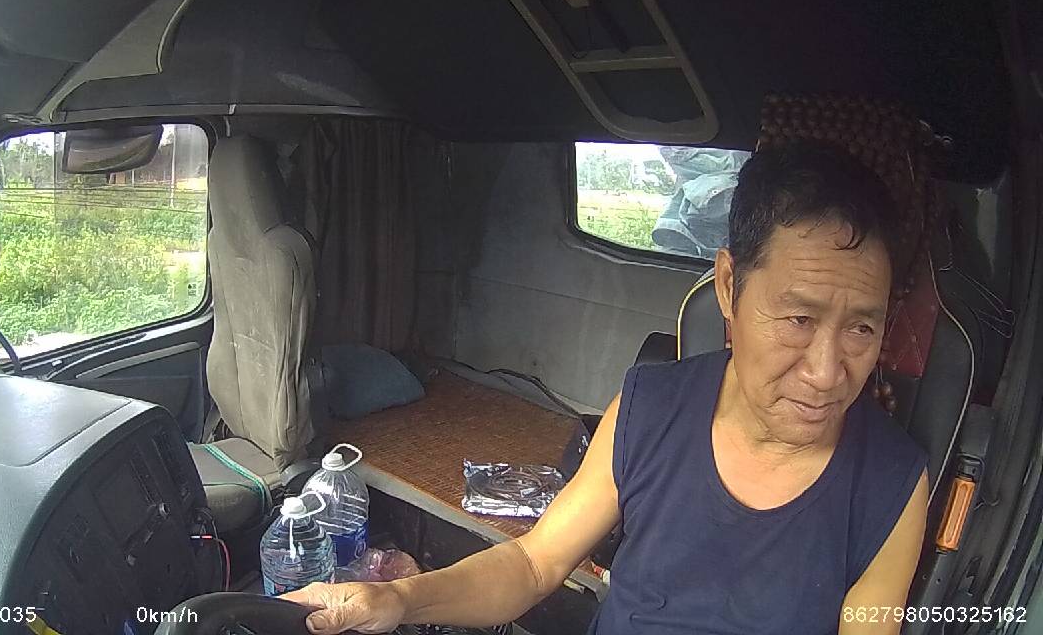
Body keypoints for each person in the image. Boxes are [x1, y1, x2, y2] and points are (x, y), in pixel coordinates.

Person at [281, 140, 930, 635]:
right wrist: (400, 598)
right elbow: (533, 564)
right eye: (798, 320)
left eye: (862, 328)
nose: (826, 372)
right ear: (729, 286)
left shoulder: (892, 484)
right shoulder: (651, 408)